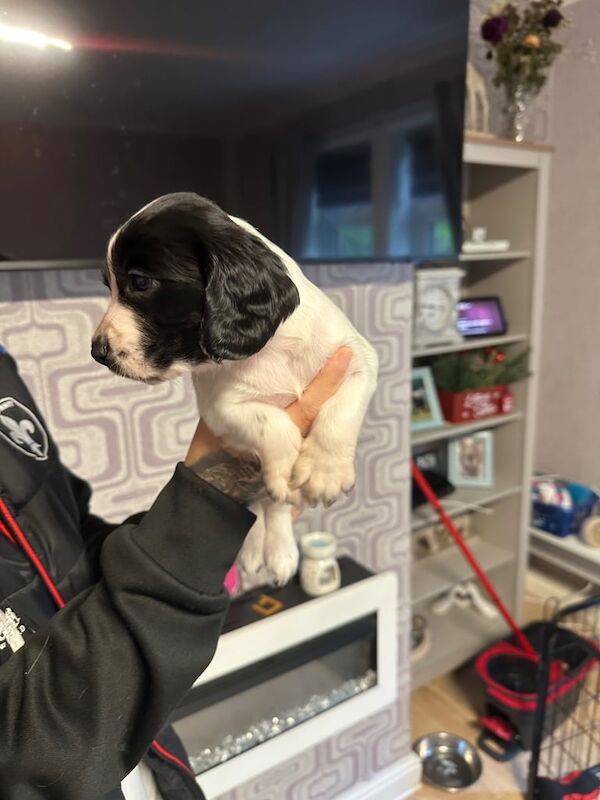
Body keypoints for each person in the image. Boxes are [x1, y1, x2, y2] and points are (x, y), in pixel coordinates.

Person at [0, 343, 351, 800]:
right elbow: (25, 761)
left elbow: (68, 538)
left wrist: (202, 543)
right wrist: (205, 509)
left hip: (147, 760)